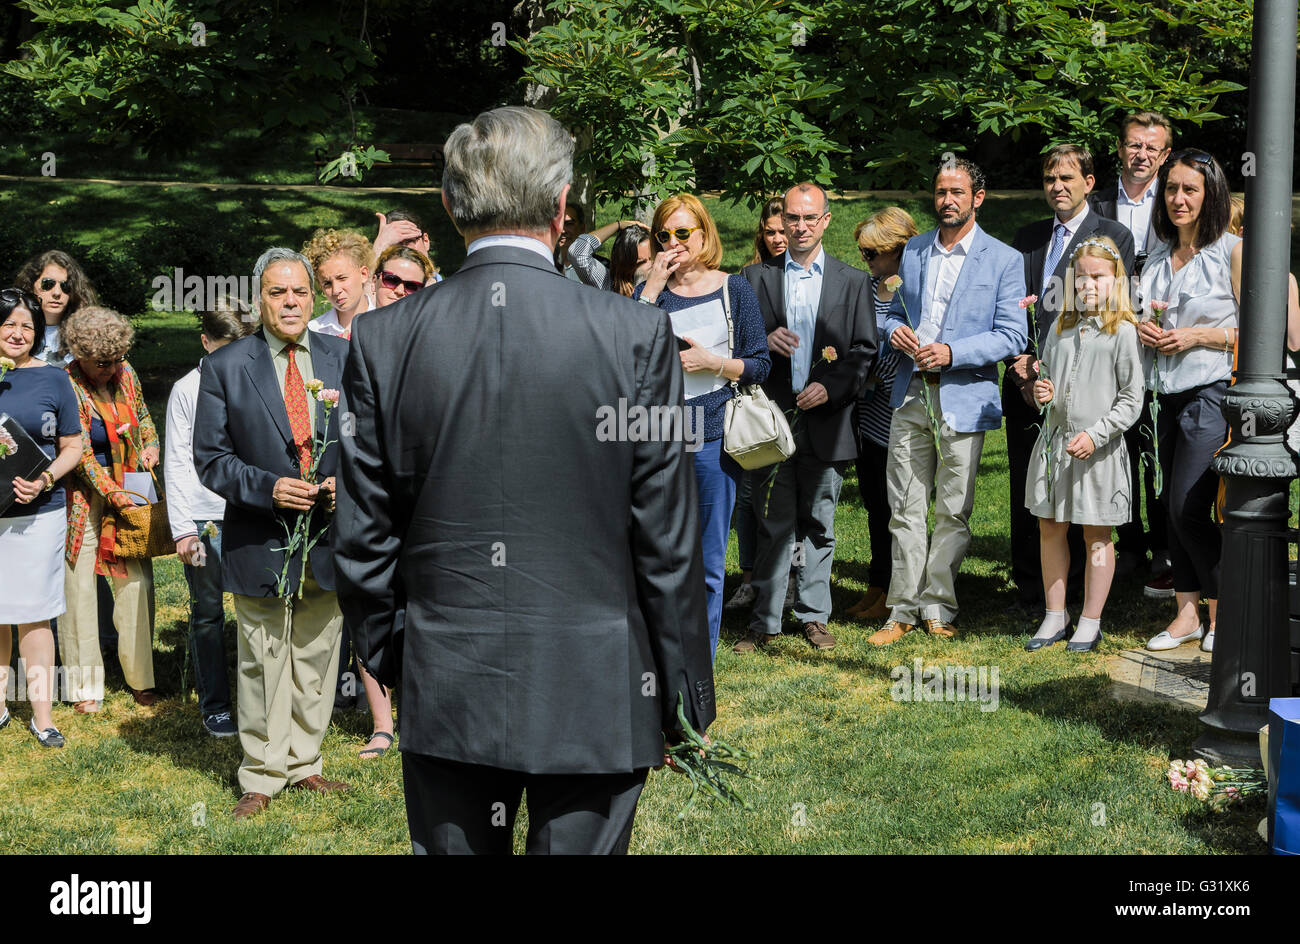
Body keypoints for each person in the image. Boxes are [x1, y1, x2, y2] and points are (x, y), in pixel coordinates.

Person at [334, 106, 716, 855]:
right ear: (564, 204)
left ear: (449, 205)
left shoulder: (382, 339)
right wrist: (683, 693)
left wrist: (399, 660)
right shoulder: (637, 333)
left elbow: (362, 538)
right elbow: (669, 535)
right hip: (598, 678)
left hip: (449, 673)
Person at [194, 247, 351, 820]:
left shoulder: (343, 357)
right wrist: (269, 488)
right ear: (260, 299)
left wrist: (341, 480)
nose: (291, 302)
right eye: (278, 293)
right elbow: (210, 458)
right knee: (263, 655)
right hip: (260, 535)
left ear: (313, 299)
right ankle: (261, 772)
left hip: (329, 534)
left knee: (316, 650)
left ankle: (304, 761)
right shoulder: (227, 365)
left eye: (301, 292)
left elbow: (368, 437)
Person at [868, 158, 1027, 645]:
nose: (947, 200)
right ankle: (901, 610)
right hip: (909, 394)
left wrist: (954, 352)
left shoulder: (1003, 259)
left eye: (957, 191)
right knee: (904, 507)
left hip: (963, 396)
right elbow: (889, 312)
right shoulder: (913, 252)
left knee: (952, 511)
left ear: (978, 198)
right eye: (940, 192)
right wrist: (893, 329)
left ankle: (937, 605)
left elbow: (1012, 333)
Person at [734, 182, 876, 653]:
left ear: (826, 221)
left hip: (827, 421)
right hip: (771, 420)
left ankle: (814, 615)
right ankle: (764, 622)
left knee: (819, 522)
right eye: (792, 218)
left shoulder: (853, 281)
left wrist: (831, 388)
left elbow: (863, 351)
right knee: (773, 523)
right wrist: (764, 339)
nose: (799, 227)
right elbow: (735, 345)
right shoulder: (755, 279)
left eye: (809, 219)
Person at [635, 193, 771, 657]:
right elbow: (628, 355)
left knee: (709, 560)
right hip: (661, 439)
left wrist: (713, 362)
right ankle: (662, 651)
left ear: (704, 234)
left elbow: (760, 364)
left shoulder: (733, 289)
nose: (673, 243)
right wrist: (651, 287)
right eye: (663, 235)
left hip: (714, 435)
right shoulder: (651, 292)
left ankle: (701, 661)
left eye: (682, 233)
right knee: (661, 554)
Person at [1007, 145, 1135, 611]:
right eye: (1049, 179)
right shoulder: (1026, 237)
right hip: (1030, 379)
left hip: (1092, 385)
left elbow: (1115, 301)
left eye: (1066, 178)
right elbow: (1012, 303)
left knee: (1086, 499)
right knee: (1033, 490)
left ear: (1089, 181)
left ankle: (1086, 598)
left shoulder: (1112, 234)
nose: (1057, 187)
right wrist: (1018, 362)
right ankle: (1032, 591)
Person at [1138, 150, 1242, 654]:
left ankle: (1225, 614)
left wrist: (1199, 335)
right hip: (1161, 397)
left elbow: (1257, 334)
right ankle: (1186, 617)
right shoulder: (1156, 257)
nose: (1178, 199)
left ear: (1211, 194)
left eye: (1190, 190)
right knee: (1167, 507)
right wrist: (1142, 329)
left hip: (1211, 393)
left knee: (1188, 507)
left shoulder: (1232, 252)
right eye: (1171, 188)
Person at [1024, 237, 1144, 652]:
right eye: (1082, 276)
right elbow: (1055, 388)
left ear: (1116, 281)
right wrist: (1045, 391)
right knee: (1050, 526)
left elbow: (1132, 399)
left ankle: (1091, 620)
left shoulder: (1123, 332)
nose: (1089, 284)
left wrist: (1095, 435)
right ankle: (1055, 615)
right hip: (1056, 445)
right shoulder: (1059, 327)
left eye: (1100, 276)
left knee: (1096, 534)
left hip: (1098, 451)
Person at [1091, 111, 1175, 595]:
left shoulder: (1174, 200)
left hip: (1159, 340)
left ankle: (1164, 548)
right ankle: (1124, 544)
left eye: (1152, 148)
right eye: (1133, 145)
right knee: (1112, 444)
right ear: (1120, 149)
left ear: (1164, 156)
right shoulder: (1098, 203)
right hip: (1108, 336)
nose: (1141, 154)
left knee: (1154, 447)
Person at [60, 305, 161, 711]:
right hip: (83, 499)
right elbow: (78, 450)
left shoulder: (126, 371)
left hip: (130, 489)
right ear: (80, 356)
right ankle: (85, 687)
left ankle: (142, 678)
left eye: (116, 360)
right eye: (102, 363)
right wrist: (110, 491)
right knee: (79, 589)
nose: (110, 369)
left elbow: (143, 415)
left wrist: (151, 443)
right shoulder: (65, 382)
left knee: (137, 584)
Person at [165, 298, 253, 738]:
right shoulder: (186, 390)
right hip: (205, 520)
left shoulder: (253, 380)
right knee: (207, 612)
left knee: (258, 608)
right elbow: (177, 461)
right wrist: (182, 528)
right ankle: (215, 704)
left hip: (251, 512)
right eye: (225, 348)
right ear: (205, 343)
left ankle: (258, 702)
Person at [0, 289, 82, 747]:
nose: (18, 333)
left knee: (34, 613)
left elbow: (73, 444)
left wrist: (46, 479)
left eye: (27, 326)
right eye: (9, 324)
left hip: (39, 514)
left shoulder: (54, 379)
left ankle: (43, 716)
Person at [843, 207, 918, 623]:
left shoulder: (914, 289)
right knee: (875, 503)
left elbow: (905, 349)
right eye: (863, 252)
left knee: (900, 508)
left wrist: (873, 371)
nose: (865, 259)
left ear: (898, 249)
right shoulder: (866, 288)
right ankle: (877, 584)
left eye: (872, 253)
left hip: (902, 413)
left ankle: (899, 588)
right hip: (869, 417)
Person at [727, 197, 790, 611]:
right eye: (771, 232)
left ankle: (791, 582)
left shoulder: (817, 275)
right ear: (761, 235)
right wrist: (761, 344)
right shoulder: (746, 279)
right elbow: (731, 341)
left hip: (802, 396)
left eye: (784, 230)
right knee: (749, 497)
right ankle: (749, 578)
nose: (780, 238)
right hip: (757, 397)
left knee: (795, 498)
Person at [14, 250, 99, 365]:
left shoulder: (88, 334)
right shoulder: (11, 332)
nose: (57, 293)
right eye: (48, 284)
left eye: (65, 286)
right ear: (30, 285)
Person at [303, 229, 375, 339]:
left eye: (342, 278)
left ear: (363, 274)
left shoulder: (386, 324)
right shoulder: (314, 331)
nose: (336, 290)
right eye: (327, 283)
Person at [568, 218, 651, 294]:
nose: (651, 265)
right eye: (641, 263)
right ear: (624, 265)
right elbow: (577, 253)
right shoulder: (609, 285)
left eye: (652, 258)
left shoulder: (662, 285)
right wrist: (618, 225)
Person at [747, 197, 789, 266]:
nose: (777, 240)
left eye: (783, 232)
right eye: (770, 233)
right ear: (762, 235)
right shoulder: (750, 274)